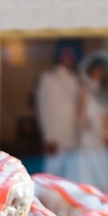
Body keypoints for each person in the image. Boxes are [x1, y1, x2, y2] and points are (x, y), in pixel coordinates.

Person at [62, 52, 108, 202]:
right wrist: (98, 132)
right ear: (91, 70)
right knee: (90, 176)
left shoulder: (103, 95)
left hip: (102, 142)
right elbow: (80, 120)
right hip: (89, 140)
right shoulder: (84, 92)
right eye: (97, 70)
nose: (100, 73)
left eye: (103, 71)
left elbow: (107, 119)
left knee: (106, 177)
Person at [36, 41, 80, 177]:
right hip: (56, 138)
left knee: (70, 177)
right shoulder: (49, 78)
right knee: (52, 175)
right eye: (65, 53)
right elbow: (43, 109)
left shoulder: (75, 79)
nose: (68, 57)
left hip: (73, 137)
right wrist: (49, 138)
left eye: (71, 54)